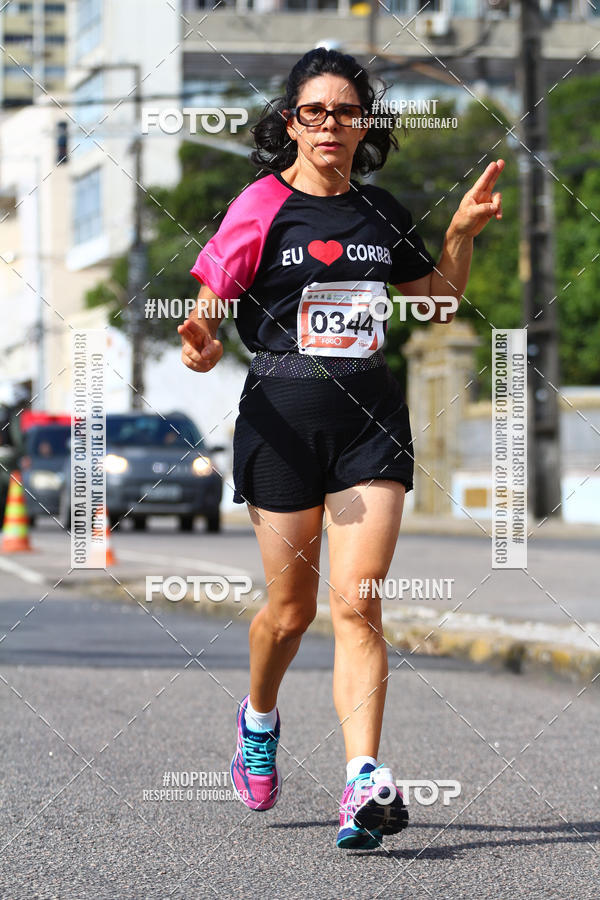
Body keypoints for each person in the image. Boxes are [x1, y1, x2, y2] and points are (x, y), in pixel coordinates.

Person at [179, 47, 503, 849]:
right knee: (288, 615)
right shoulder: (259, 206)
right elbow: (208, 308)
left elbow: (439, 301)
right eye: (313, 111)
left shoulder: (379, 213)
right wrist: (200, 343)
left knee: (358, 601)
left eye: (345, 112)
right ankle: (258, 721)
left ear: (364, 124)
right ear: (290, 120)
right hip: (282, 421)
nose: (330, 125)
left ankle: (362, 783)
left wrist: (459, 231)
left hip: (371, 423)